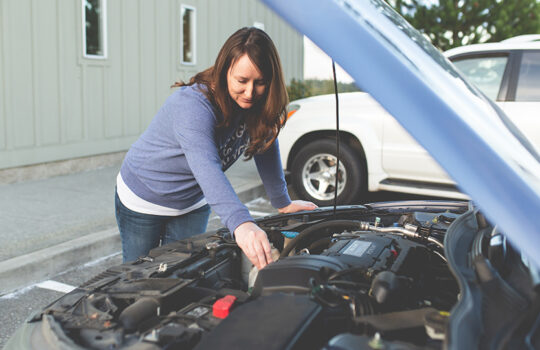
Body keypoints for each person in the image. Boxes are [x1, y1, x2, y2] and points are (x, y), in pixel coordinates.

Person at [115, 27, 317, 269]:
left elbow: (264, 143)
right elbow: (206, 166)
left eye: (260, 82)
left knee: (184, 274)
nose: (250, 92)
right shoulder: (193, 105)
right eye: (242, 81)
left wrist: (282, 201)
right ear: (224, 71)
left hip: (192, 202)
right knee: (137, 278)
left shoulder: (256, 105)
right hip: (144, 196)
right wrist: (241, 224)